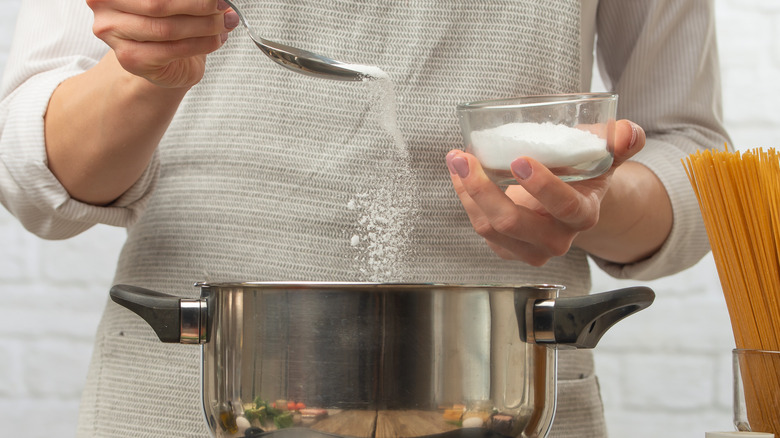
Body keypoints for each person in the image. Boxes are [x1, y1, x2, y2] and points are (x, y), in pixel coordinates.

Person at [0, 0, 728, 437]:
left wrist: (589, 205)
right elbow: (33, 173)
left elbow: (692, 153)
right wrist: (144, 67)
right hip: (181, 393)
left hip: (509, 397)